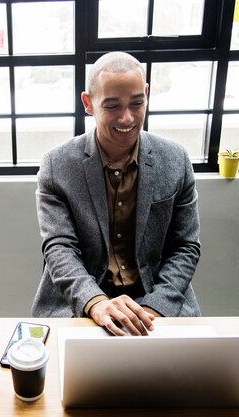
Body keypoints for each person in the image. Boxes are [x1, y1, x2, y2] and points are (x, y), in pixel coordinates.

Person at [31, 52, 201, 336]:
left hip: (157, 299)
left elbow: (185, 247)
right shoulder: (56, 165)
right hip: (84, 303)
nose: (128, 117)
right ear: (88, 103)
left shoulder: (176, 159)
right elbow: (59, 248)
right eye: (112, 106)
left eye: (137, 103)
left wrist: (151, 310)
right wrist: (96, 302)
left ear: (147, 94)